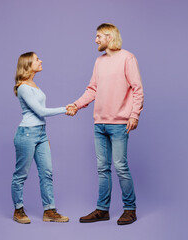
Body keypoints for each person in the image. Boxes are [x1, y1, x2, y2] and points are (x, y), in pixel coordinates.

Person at [67, 23, 144, 225]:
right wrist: (76, 105)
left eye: (98, 36)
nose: (96, 40)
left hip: (119, 124)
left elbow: (137, 88)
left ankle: (130, 209)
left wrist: (134, 115)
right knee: (103, 168)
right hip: (99, 124)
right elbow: (92, 89)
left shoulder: (128, 58)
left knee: (120, 166)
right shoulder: (99, 62)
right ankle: (102, 210)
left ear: (109, 37)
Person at [11, 52, 69, 224]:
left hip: (41, 134)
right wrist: (66, 108)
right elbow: (41, 112)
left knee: (47, 173)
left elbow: (40, 116)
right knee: (21, 174)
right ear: (28, 64)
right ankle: (18, 210)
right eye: (37, 59)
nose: (41, 60)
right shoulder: (22, 87)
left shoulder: (34, 84)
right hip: (27, 134)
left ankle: (49, 211)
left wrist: (45, 136)